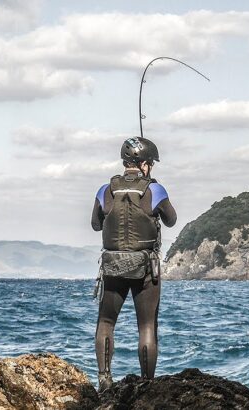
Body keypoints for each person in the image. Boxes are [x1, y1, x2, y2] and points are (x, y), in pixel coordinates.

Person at [90, 136, 176, 394]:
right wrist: (155, 191)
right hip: (145, 268)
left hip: (112, 266)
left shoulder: (105, 190)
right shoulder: (155, 190)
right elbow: (171, 220)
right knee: (147, 326)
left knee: (105, 322)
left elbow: (96, 225)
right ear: (145, 164)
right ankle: (147, 386)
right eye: (152, 164)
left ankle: (105, 381)